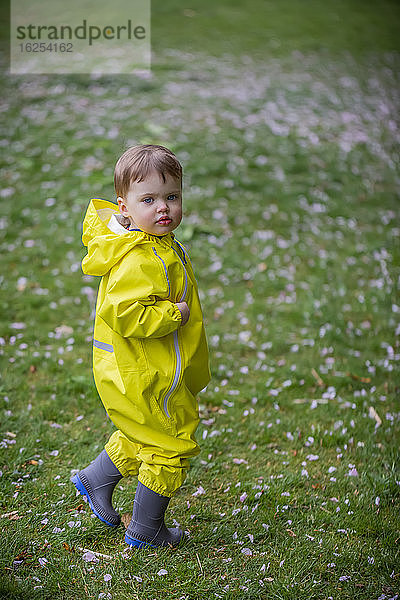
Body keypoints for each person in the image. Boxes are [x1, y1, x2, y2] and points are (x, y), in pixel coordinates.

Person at [71, 144, 210, 548]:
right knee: (171, 442)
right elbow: (126, 314)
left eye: (172, 197)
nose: (163, 207)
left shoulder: (153, 243)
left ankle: (95, 480)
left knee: (148, 432)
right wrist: (174, 315)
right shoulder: (138, 258)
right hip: (145, 371)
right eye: (148, 199)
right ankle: (147, 529)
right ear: (125, 206)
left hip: (148, 366)